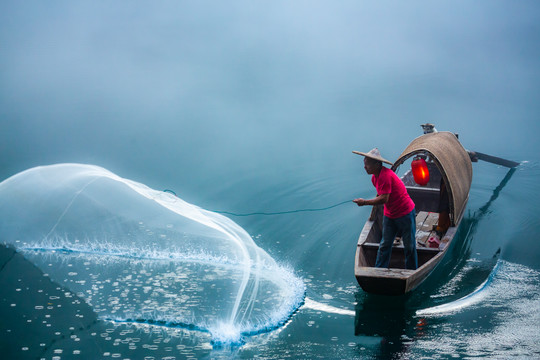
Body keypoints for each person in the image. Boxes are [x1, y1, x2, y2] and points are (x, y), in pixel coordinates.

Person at [352, 148, 418, 270]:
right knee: (384, 245)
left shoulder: (385, 176)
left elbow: (384, 199)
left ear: (377, 164)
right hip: (390, 214)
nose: (365, 167)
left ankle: (411, 271)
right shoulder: (374, 178)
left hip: (405, 213)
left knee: (409, 246)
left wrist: (365, 202)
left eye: (367, 164)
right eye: (364, 164)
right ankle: (379, 270)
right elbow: (381, 195)